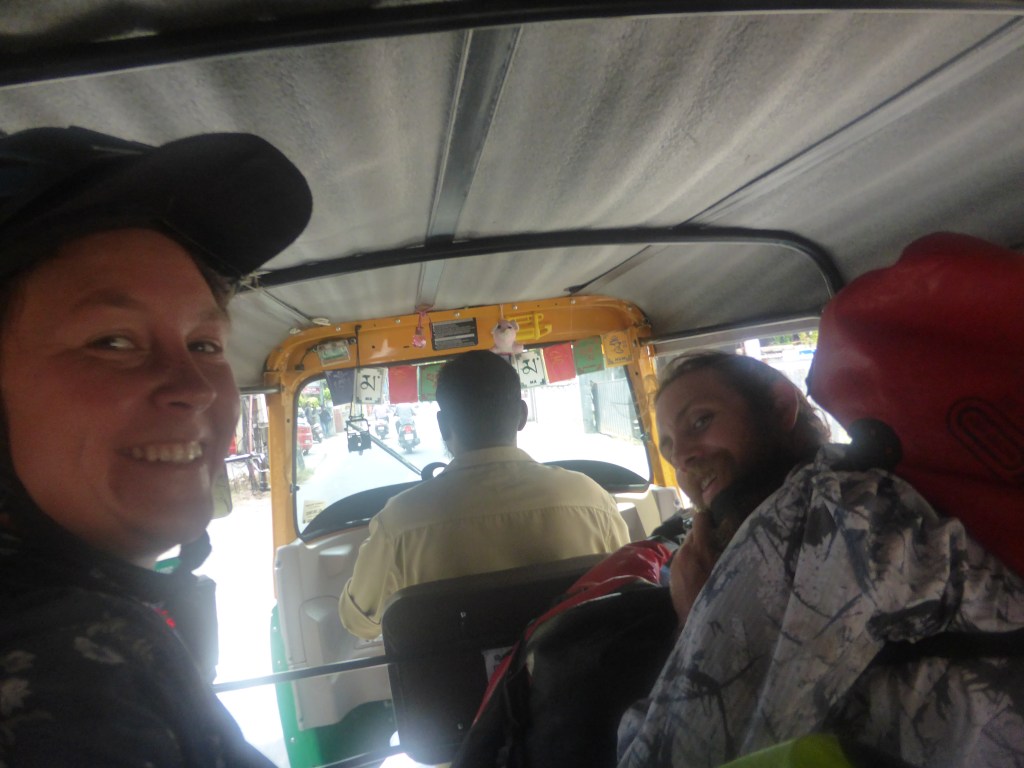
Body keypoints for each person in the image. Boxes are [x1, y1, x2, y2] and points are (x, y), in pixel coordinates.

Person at [0, 126, 312, 765]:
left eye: (204, 344)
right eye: (112, 342)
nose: (194, 387)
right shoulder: (68, 678)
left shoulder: (102, 633)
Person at [616, 350, 1024, 768]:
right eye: (668, 447)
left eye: (701, 421)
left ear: (781, 407)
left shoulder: (817, 512)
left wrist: (693, 615)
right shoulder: (849, 489)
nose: (681, 457)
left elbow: (674, 749)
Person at [339, 350, 630, 640]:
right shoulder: (593, 501)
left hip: (454, 672)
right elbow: (628, 590)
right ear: (522, 415)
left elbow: (360, 622)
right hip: (570, 669)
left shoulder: (399, 522)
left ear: (442, 425)